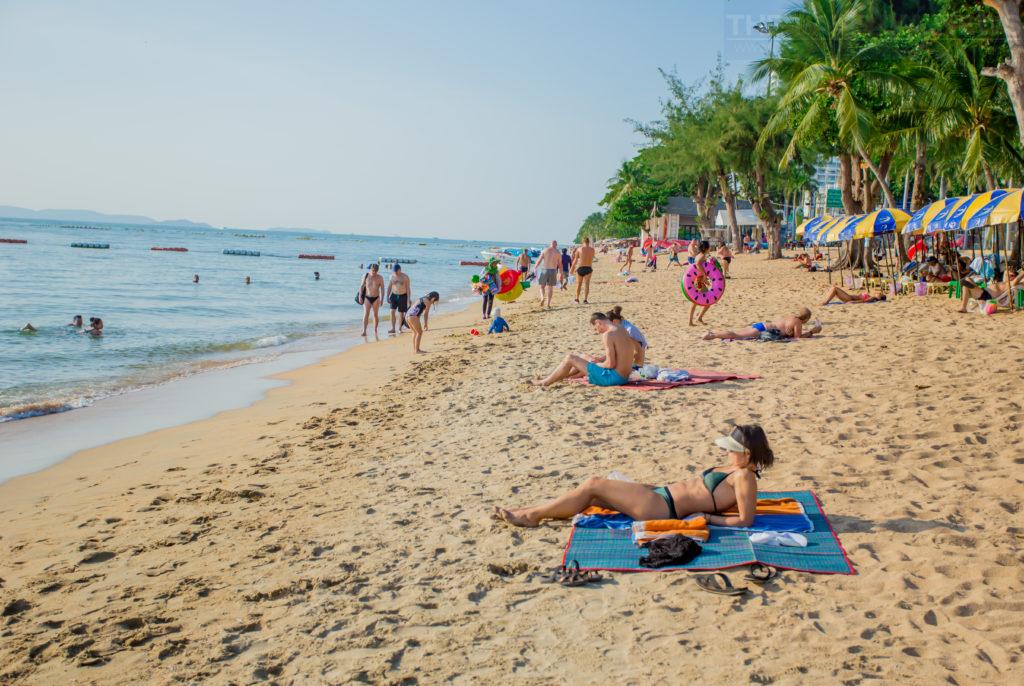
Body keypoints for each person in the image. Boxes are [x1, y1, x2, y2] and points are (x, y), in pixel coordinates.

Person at [492, 425, 773, 528]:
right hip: (660, 495)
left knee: (593, 485)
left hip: (663, 508)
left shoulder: (745, 478)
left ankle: (532, 516)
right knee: (597, 488)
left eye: (732, 450)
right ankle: (531, 511)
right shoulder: (736, 469)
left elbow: (746, 520)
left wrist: (708, 519)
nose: (727, 453)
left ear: (747, 454)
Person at [531, 311, 633, 387]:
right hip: (624, 377)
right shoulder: (621, 328)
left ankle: (545, 382)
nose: (597, 331)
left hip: (613, 378)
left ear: (598, 322)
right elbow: (621, 353)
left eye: (595, 328)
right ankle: (560, 376)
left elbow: (610, 364)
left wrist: (594, 363)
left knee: (570, 358)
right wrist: (597, 360)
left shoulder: (608, 334)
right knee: (583, 357)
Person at [702, 308, 822, 340]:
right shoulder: (798, 322)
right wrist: (812, 332)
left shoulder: (791, 317)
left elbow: (787, 331)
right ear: (805, 319)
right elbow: (798, 338)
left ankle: (714, 333)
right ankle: (713, 335)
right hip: (763, 329)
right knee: (736, 335)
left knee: (738, 333)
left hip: (762, 325)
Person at [688, 241, 715, 327]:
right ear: (705, 248)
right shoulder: (702, 256)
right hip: (699, 281)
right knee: (708, 301)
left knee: (694, 302)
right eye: (709, 246)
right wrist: (704, 275)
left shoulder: (699, 255)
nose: (710, 248)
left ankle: (694, 320)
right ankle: (697, 318)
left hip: (698, 281)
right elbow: (698, 264)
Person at [360, 263, 385, 337]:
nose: (374, 272)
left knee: (375, 314)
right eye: (373, 270)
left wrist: (382, 299)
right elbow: (361, 286)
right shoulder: (365, 276)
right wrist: (360, 297)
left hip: (376, 298)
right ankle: (364, 331)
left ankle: (375, 330)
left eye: (376, 271)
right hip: (367, 297)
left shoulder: (380, 277)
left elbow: (382, 289)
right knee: (366, 314)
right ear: (371, 269)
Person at [536, 240, 562, 309]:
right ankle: (548, 304)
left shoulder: (545, 250)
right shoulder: (558, 252)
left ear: (550, 244)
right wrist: (561, 274)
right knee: (550, 288)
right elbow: (560, 264)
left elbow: (539, 260)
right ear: (556, 245)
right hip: (553, 271)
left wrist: (535, 268)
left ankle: (542, 298)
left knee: (542, 287)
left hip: (544, 270)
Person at [570, 236, 595, 304]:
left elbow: (575, 260)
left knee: (579, 284)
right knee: (587, 284)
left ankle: (577, 299)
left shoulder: (579, 249)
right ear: (588, 242)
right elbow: (592, 258)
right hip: (589, 268)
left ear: (583, 242)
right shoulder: (592, 250)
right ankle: (585, 300)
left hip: (581, 268)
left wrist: (571, 269)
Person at [387, 263, 411, 333]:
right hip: (393, 295)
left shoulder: (405, 277)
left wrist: (408, 299)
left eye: (396, 271)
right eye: (394, 271)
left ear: (400, 270)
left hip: (403, 296)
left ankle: (399, 328)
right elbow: (389, 287)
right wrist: (387, 296)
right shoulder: (391, 276)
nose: (395, 273)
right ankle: (393, 328)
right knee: (392, 311)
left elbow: (408, 288)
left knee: (401, 313)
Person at [821, 286, 886, 306]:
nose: (878, 292)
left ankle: (825, 302)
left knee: (835, 289)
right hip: (849, 298)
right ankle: (825, 301)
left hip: (849, 299)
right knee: (834, 289)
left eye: (880, 294)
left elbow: (864, 301)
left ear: (879, 298)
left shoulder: (873, 298)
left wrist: (853, 302)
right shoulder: (872, 297)